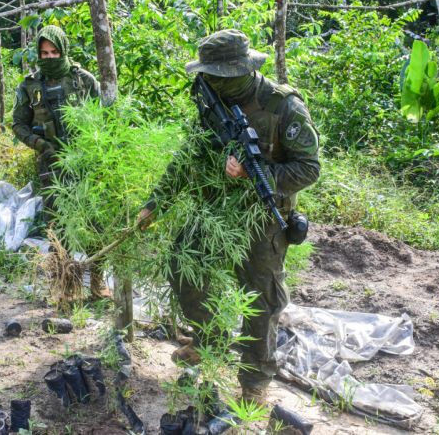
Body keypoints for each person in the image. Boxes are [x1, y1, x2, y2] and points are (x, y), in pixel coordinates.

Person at [137, 29, 320, 404]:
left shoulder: (283, 106)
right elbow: (189, 157)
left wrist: (258, 175)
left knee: (262, 297)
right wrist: (156, 203)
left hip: (262, 218)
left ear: (239, 70)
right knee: (182, 264)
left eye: (216, 75)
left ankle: (254, 381)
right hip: (216, 211)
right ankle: (210, 339)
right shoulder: (212, 99)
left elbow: (308, 168)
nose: (206, 80)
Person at [12, 25, 111, 300]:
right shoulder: (30, 86)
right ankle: (65, 285)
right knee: (57, 225)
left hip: (85, 163)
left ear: (64, 50)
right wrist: (40, 144)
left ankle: (97, 283)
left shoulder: (84, 80)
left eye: (55, 51)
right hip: (51, 166)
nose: (50, 57)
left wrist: (94, 149)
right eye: (44, 53)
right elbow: (18, 124)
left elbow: (104, 119)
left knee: (95, 222)